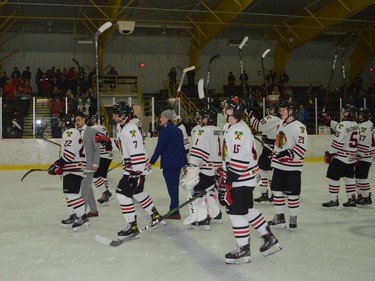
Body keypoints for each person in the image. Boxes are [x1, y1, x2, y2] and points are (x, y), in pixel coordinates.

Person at [219, 96, 281, 264]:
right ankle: (269, 238)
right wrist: (223, 170)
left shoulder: (237, 131)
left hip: (240, 178)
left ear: (232, 111)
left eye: (226, 107)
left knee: (236, 213)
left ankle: (243, 250)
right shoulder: (233, 127)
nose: (223, 109)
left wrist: (227, 183)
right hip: (245, 178)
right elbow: (231, 156)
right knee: (246, 210)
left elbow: (239, 160)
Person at [112, 102, 165, 239]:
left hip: (135, 170)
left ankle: (132, 226)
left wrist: (137, 170)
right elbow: (122, 145)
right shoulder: (122, 127)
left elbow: (137, 150)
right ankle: (156, 216)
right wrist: (107, 142)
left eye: (116, 114)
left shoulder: (130, 129)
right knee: (138, 192)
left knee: (122, 194)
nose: (113, 116)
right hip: (133, 168)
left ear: (123, 115)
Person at [268, 99, 308, 230]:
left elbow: (302, 148)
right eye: (280, 110)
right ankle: (280, 217)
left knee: (292, 194)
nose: (280, 112)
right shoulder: (281, 124)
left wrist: (286, 153)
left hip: (293, 167)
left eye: (283, 110)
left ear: (291, 111)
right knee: (276, 191)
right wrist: (276, 152)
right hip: (278, 166)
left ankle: (293, 217)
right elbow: (280, 142)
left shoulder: (299, 127)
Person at [181, 109, 223, 230]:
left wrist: (192, 166)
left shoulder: (202, 130)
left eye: (202, 118)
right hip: (217, 168)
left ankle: (203, 219)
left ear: (207, 119)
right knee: (210, 192)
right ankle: (216, 214)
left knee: (199, 193)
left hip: (205, 168)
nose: (200, 120)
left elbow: (199, 151)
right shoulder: (219, 130)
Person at [47, 114, 89, 231]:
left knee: (72, 194)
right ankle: (73, 215)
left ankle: (82, 217)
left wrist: (58, 163)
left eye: (61, 121)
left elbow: (69, 155)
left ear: (65, 122)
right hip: (74, 167)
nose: (60, 123)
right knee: (70, 194)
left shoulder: (69, 133)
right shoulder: (75, 132)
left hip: (73, 168)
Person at [149, 109, 188, 220]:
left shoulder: (165, 131)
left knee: (172, 190)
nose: (160, 119)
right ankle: (174, 209)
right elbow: (182, 149)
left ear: (167, 118)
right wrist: (184, 164)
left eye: (162, 117)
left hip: (168, 164)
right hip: (177, 164)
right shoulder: (178, 131)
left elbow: (159, 148)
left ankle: (174, 211)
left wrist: (151, 162)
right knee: (174, 188)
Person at [321, 104, 359, 210]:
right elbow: (340, 127)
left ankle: (334, 200)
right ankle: (351, 199)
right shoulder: (356, 124)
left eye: (343, 111)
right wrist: (329, 121)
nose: (342, 113)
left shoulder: (343, 125)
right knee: (349, 178)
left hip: (341, 157)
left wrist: (330, 153)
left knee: (332, 177)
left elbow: (338, 142)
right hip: (351, 158)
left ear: (347, 113)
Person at [247, 104, 280, 203]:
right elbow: (265, 132)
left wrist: (250, 115)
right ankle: (267, 194)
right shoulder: (277, 120)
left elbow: (257, 126)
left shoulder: (272, 118)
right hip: (271, 146)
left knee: (267, 172)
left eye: (270, 108)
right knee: (264, 171)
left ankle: (272, 194)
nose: (268, 111)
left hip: (271, 147)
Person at [75, 111, 101, 217]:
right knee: (87, 188)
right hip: (79, 166)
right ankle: (94, 211)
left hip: (89, 166)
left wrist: (95, 164)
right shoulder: (75, 132)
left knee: (84, 189)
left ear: (84, 119)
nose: (77, 122)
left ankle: (81, 214)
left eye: (79, 120)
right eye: (75, 121)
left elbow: (97, 149)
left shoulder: (92, 131)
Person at [90, 113, 114, 206]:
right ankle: (105, 198)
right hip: (108, 155)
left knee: (94, 177)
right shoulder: (104, 127)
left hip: (101, 155)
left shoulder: (93, 128)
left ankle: (106, 192)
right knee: (103, 177)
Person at [355, 107, 374, 207]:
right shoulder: (367, 124)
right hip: (365, 155)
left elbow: (364, 142)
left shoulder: (365, 126)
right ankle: (361, 195)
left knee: (362, 177)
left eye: (361, 114)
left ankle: (366, 197)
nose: (358, 115)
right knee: (358, 177)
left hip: (365, 156)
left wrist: (359, 156)